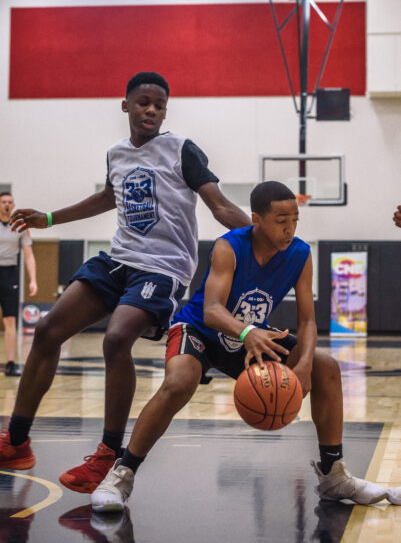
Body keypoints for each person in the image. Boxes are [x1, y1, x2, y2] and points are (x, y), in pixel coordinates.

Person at [0, 72, 250, 492]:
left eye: (159, 105)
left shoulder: (180, 150)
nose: (151, 110)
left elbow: (219, 205)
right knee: (47, 330)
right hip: (119, 259)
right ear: (126, 105)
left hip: (163, 267)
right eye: (144, 102)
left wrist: (267, 243)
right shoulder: (117, 154)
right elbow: (107, 197)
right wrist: (49, 218)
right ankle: (18, 440)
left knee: (116, 339)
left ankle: (108, 454)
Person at [91, 181, 389, 513]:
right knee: (179, 382)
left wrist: (303, 366)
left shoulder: (301, 253)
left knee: (325, 367)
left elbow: (307, 321)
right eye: (280, 220)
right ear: (257, 219)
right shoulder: (228, 246)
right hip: (200, 329)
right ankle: (121, 474)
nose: (289, 228)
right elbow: (213, 310)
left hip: (247, 336)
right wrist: (248, 331)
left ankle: (334, 476)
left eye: (294, 219)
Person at [0, 192, 38, 376]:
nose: (6, 204)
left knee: (10, 320)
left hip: (9, 273)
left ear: (13, 204)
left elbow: (29, 255)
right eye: (3, 202)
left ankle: (10, 363)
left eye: (9, 202)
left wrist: (33, 280)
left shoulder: (21, 226)